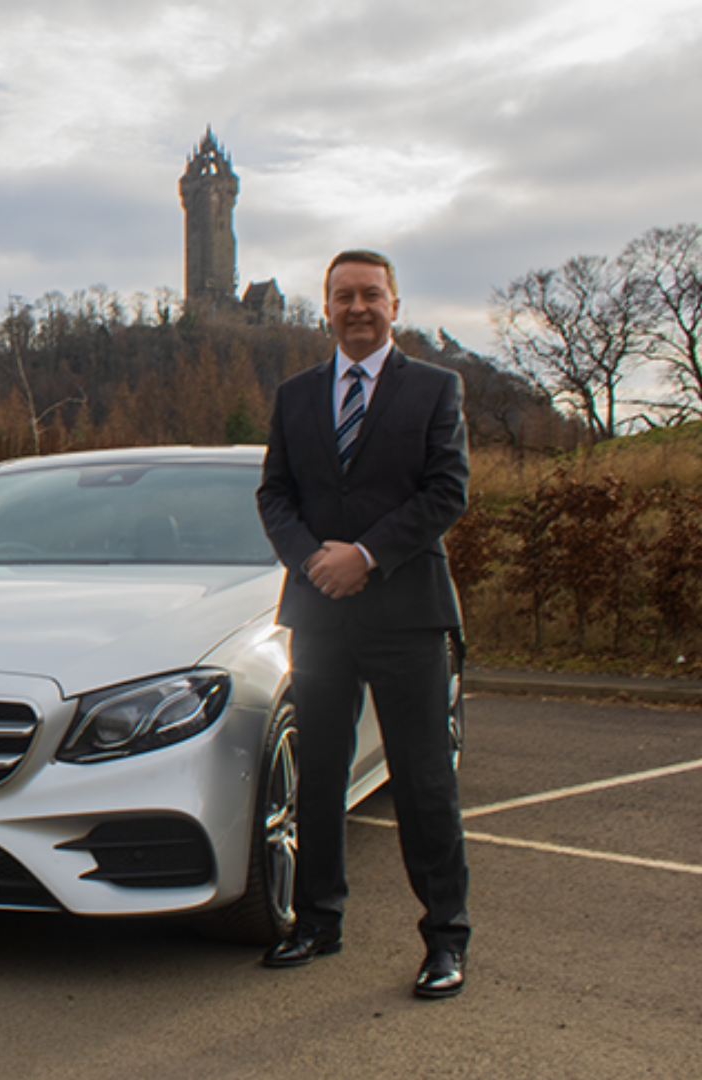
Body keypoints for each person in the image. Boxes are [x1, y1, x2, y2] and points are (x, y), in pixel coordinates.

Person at [256, 250, 472, 999]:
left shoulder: (435, 389)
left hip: (406, 617)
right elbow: (274, 495)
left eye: (370, 295)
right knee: (318, 776)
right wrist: (315, 560)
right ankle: (317, 921)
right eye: (343, 296)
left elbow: (448, 492)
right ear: (325, 308)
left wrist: (368, 556)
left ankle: (445, 937)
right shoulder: (295, 396)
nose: (357, 307)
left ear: (394, 304)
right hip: (319, 614)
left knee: (422, 782)